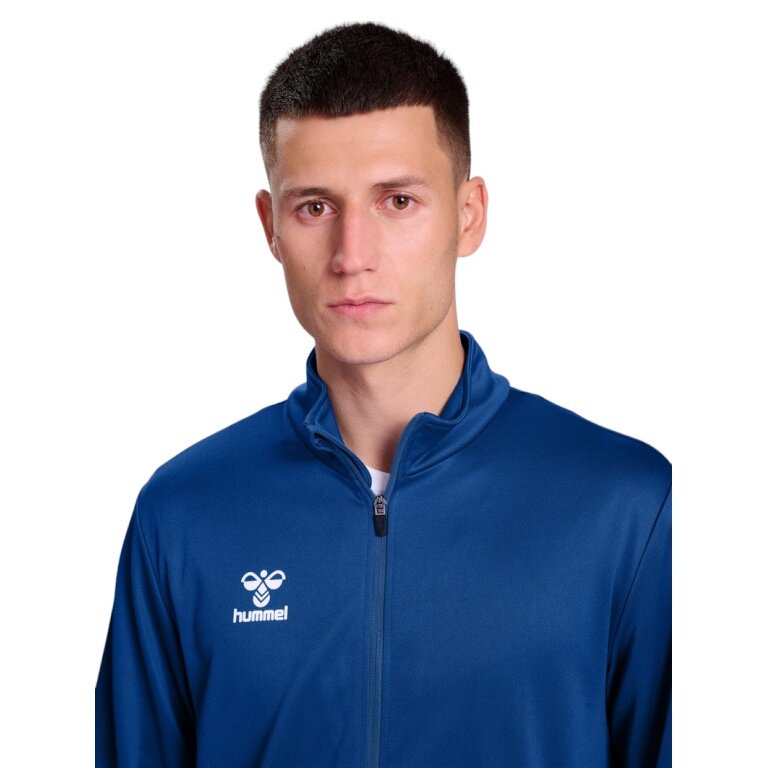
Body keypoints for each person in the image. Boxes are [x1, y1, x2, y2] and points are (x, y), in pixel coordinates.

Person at [95, 21, 671, 768]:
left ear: (469, 215)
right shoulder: (182, 515)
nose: (352, 256)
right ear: (271, 227)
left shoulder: (629, 507)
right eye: (315, 207)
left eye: (397, 201)